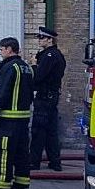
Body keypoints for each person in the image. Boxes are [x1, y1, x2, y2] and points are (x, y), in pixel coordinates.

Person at [0, 37, 34, 189]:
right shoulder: (26, 67)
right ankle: (20, 184)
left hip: (9, 118)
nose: (0, 52)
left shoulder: (11, 68)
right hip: (23, 117)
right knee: (21, 153)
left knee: (3, 152)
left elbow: (2, 91)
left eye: (2, 49)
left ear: (10, 49)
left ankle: (0, 186)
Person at [30, 26, 66, 171]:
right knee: (51, 131)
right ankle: (55, 162)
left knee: (39, 131)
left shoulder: (50, 56)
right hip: (52, 96)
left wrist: (33, 65)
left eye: (42, 38)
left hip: (44, 97)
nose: (39, 41)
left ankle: (34, 161)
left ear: (50, 39)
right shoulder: (55, 55)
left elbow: (38, 77)